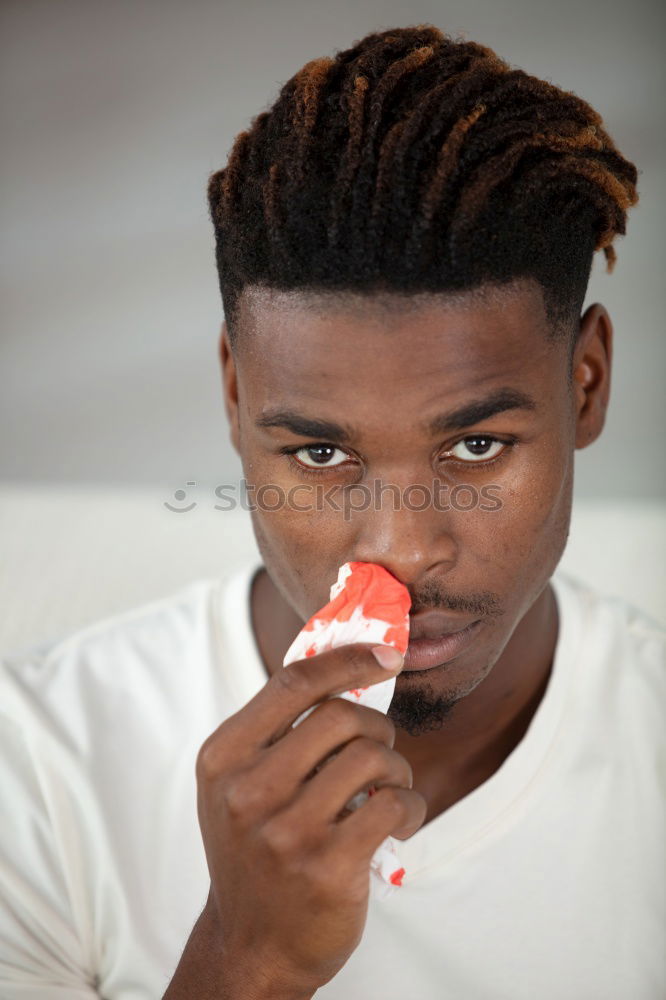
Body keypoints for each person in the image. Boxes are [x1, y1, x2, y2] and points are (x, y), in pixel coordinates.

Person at [1, 23, 663, 1000]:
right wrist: (245, 960)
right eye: (320, 453)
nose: (401, 545)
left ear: (589, 382)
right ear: (235, 398)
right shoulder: (34, 771)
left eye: (476, 447)